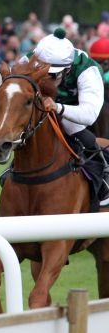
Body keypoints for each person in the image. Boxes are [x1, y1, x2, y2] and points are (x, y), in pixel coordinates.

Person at [25, 28, 108, 204]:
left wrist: (58, 107)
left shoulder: (88, 70)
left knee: (84, 137)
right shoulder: (28, 59)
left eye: (52, 74)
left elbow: (89, 114)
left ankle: (103, 179)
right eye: (43, 71)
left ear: (68, 69)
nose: (46, 78)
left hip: (74, 113)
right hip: (40, 112)